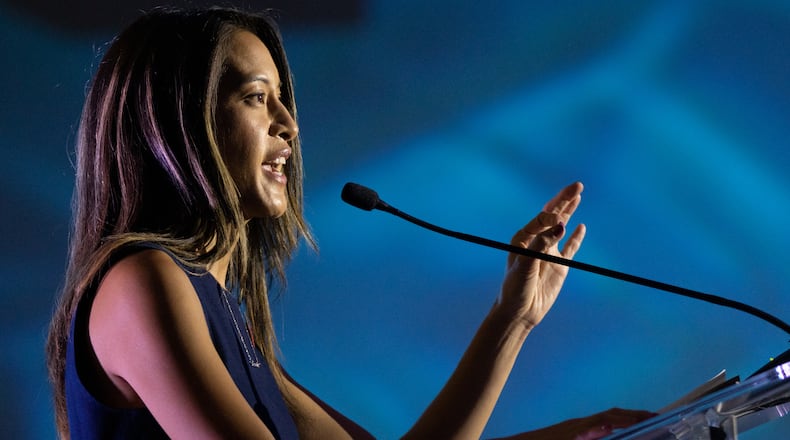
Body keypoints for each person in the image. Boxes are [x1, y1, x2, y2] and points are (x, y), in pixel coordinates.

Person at [45, 6, 654, 439]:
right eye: (257, 97)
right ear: (177, 121)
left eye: (284, 98)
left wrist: (515, 322)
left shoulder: (218, 308)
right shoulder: (141, 281)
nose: (290, 123)